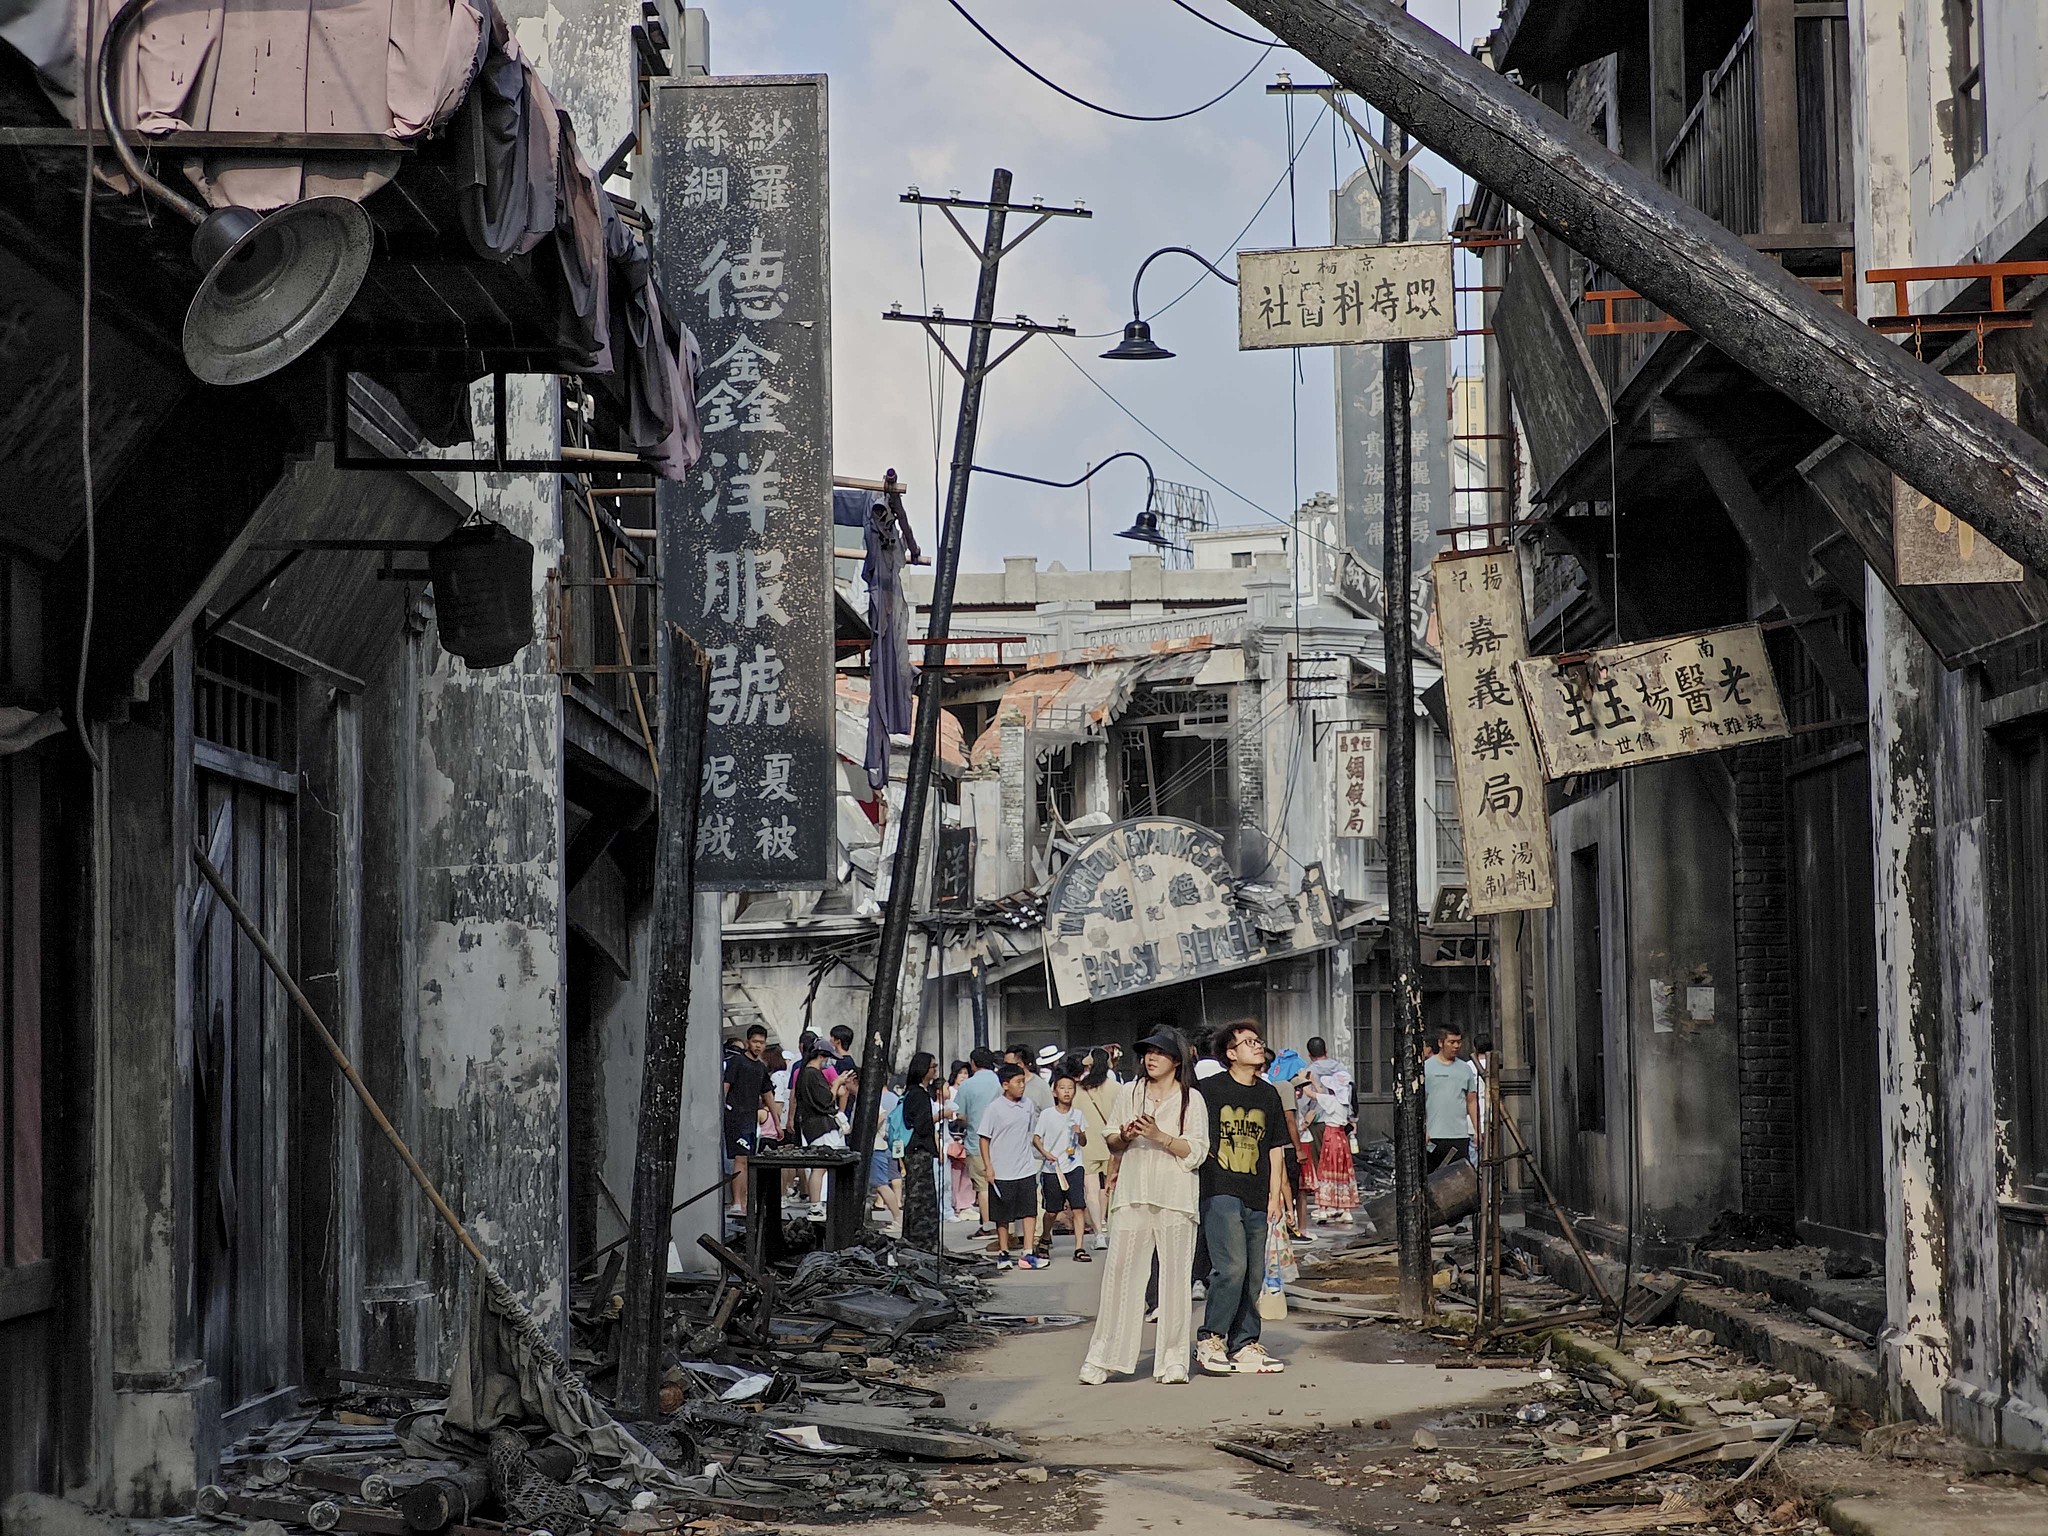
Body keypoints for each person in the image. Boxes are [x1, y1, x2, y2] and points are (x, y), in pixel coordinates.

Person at [1079, 1026, 1210, 1386]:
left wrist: (1159, 1136)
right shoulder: (1129, 1092)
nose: (1151, 1058)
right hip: (1133, 1193)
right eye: (1147, 1052)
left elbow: (1197, 1151)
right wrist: (1126, 1134)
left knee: (1175, 1280)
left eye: (1159, 1053)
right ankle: (1103, 1357)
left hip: (1175, 1195)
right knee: (1120, 1276)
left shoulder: (1190, 1100)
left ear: (1176, 1060)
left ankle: (1173, 1360)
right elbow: (1111, 1139)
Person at [1195, 1020, 1291, 1375]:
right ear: (1230, 1054)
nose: (1257, 1045)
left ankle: (1245, 1342)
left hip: (1256, 1191)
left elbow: (1276, 1148)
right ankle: (1211, 1338)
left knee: (1253, 1273)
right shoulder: (1209, 1090)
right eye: (1248, 1042)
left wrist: (1276, 1195)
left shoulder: (1268, 1094)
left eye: (1258, 1040)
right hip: (1220, 1189)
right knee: (1231, 1266)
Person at [978, 1065, 1046, 1268]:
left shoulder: (1028, 1105)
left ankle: (1027, 1253)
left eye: (1023, 1081)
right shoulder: (994, 1108)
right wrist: (988, 1166)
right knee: (1002, 1215)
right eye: (1018, 1082)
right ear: (1005, 1085)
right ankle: (1004, 1252)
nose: (1022, 1086)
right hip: (1001, 1169)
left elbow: (1029, 1133)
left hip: (1025, 1167)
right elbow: (984, 1138)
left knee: (1029, 1211)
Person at [1033, 1073, 1094, 1260]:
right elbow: (1036, 1138)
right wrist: (1045, 1153)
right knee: (1052, 1210)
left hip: (1074, 1166)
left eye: (1070, 1088)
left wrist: (1080, 1133)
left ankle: (1079, 1248)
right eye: (1062, 1088)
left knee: (1078, 1207)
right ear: (1054, 1091)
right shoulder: (1047, 1115)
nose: (1067, 1092)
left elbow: (1083, 1142)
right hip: (1052, 1168)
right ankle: (1044, 1238)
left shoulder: (1078, 1114)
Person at [721, 1024, 775, 1217]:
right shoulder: (737, 1062)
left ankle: (743, 1201)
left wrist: (777, 1122)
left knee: (748, 1160)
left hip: (751, 1120)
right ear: (747, 1042)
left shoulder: (760, 1067)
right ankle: (737, 1202)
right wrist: (722, 1110)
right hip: (736, 1117)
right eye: (755, 1042)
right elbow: (725, 1087)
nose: (758, 1046)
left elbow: (767, 1094)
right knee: (741, 1159)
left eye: (761, 1042)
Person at [1303, 1036, 1358, 1222]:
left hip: (1320, 1126)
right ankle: (1343, 1206)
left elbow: (1309, 1096)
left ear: (1310, 1054)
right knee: (1343, 1170)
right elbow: (1352, 1093)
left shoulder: (1309, 1072)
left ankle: (1324, 1204)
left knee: (1323, 1168)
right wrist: (1353, 1118)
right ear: (1326, 1050)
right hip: (1342, 1131)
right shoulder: (1342, 1070)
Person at [1074, 1049, 1118, 1252]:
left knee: (1090, 1190)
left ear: (1089, 1065)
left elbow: (1074, 1118)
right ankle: (1105, 1224)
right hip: (1111, 1143)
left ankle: (1098, 1233)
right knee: (1107, 1187)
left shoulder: (1080, 1089)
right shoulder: (1117, 1088)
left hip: (1087, 1144)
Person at [954, 1048, 1002, 1235]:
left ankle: (988, 1226)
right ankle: (1004, 1225)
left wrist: (970, 1121)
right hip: (1002, 1141)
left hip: (976, 1141)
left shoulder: (967, 1085)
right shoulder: (1000, 1081)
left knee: (982, 1186)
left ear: (973, 1063)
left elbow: (960, 1114)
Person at [792, 1041, 842, 1212]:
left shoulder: (805, 1073)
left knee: (819, 1167)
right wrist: (837, 1084)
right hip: (820, 1126)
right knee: (820, 1167)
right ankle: (816, 1205)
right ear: (822, 1056)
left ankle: (817, 1204)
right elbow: (827, 1100)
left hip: (811, 1125)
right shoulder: (813, 1074)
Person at [900, 1052, 942, 1249]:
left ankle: (916, 1239)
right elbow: (922, 1125)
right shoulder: (918, 1094)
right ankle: (922, 1240)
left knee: (917, 1197)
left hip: (915, 1151)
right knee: (921, 1200)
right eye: (933, 1066)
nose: (935, 1070)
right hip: (918, 1151)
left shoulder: (913, 1093)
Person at [1424, 1027, 1480, 1173]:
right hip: (1433, 1135)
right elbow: (1419, 1103)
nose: (1456, 1046)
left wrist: (1477, 1130)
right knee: (1433, 1179)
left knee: (1459, 1179)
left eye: (1459, 1042)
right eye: (1452, 1042)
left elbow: (1472, 1102)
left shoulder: (1465, 1069)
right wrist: (1423, 1129)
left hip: (1459, 1135)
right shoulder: (1426, 1068)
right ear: (1441, 1043)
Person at [869, 1073, 903, 1227]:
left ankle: (897, 1216)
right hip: (890, 1141)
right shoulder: (894, 1098)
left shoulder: (873, 1099)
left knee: (882, 1183)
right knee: (893, 1175)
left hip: (878, 1145)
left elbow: (881, 1115)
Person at [1006, 1044, 1055, 1113]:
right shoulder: (1003, 1085)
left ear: (1020, 1064)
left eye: (1008, 1065)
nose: (1005, 1068)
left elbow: (1050, 1116)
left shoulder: (1040, 1087)